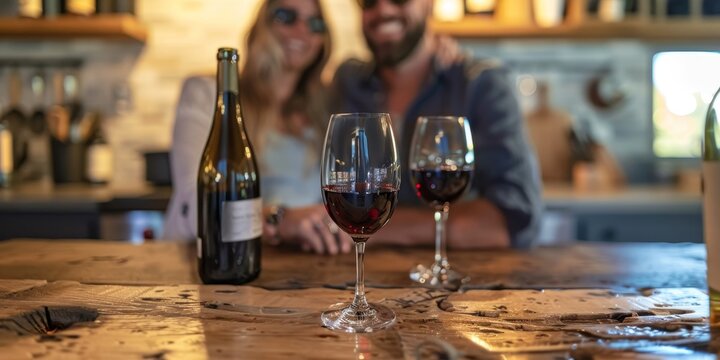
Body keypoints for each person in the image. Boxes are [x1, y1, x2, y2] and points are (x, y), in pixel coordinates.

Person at [331, 0, 543, 248]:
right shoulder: (348, 83)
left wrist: (364, 230)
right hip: (344, 279)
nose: (384, 10)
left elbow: (514, 221)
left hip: (457, 281)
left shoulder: (480, 86)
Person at [163, 0, 353, 255]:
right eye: (286, 16)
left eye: (315, 23)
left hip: (300, 271)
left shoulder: (324, 112)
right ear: (259, 26)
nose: (301, 30)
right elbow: (194, 202)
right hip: (209, 262)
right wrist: (278, 220)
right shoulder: (209, 94)